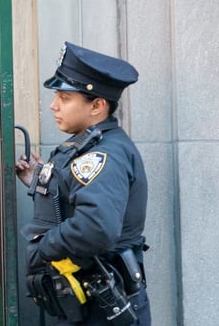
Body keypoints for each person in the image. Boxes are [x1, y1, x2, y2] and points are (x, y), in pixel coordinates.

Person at [14, 42, 150, 325]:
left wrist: (43, 248)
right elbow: (76, 198)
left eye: (64, 98)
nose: (54, 105)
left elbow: (97, 227)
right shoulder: (87, 146)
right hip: (86, 304)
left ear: (97, 106)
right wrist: (40, 181)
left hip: (101, 307)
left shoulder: (103, 154)